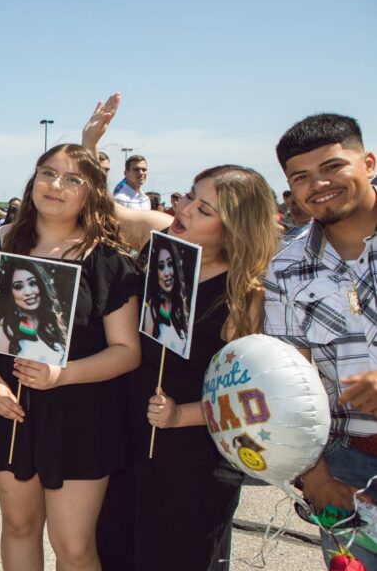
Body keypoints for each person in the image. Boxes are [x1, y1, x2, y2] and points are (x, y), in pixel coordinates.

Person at [86, 94, 277, 569]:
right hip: (129, 429)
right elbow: (94, 209)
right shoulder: (159, 237)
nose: (186, 209)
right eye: (191, 195)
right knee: (115, 546)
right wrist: (90, 146)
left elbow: (255, 396)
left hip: (194, 447)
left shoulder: (250, 293)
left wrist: (182, 415)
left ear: (234, 229)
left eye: (204, 209)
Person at [0, 143, 141, 570]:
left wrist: (63, 375)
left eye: (72, 179)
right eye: (47, 173)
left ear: (92, 193)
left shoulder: (108, 261)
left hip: (82, 413)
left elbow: (126, 352)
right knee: (20, 526)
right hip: (10, 407)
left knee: (74, 547)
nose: (55, 185)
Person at [265, 113, 377, 569]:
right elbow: (290, 378)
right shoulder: (285, 269)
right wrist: (313, 473)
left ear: (368, 162)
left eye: (333, 167)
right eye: (302, 177)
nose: (320, 184)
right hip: (345, 467)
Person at [0, 257, 68, 366]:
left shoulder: (54, 322)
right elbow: (1, 368)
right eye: (19, 286)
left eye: (32, 283)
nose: (28, 292)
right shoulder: (6, 328)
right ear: (11, 293)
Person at [140, 240, 190, 354]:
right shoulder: (153, 308)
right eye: (161, 267)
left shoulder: (182, 306)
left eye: (170, 264)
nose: (167, 272)